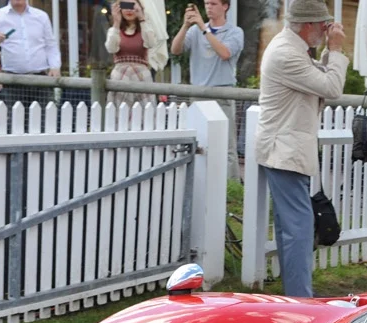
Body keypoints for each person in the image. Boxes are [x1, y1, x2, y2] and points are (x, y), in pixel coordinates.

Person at [253, 0, 348, 298]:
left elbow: (319, 82)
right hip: (285, 151)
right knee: (299, 230)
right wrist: (335, 50)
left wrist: (327, 52)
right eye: (322, 24)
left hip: (285, 150)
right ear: (307, 25)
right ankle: (300, 300)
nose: (326, 29)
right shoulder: (286, 53)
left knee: (292, 228)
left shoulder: (291, 48)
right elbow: (331, 88)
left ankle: (294, 296)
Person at [171, 0, 244, 179]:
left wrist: (204, 28)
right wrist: (185, 25)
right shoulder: (195, 30)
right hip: (199, 94)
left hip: (222, 93)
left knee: (227, 147)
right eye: (206, 3)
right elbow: (175, 50)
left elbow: (225, 53)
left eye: (213, 3)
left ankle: (231, 191)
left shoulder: (235, 32)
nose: (209, 7)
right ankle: (199, 186)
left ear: (225, 6)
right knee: (199, 145)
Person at [0, 0, 59, 110]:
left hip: (40, 80)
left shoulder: (41, 16)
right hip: (12, 81)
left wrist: (54, 66)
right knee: (13, 123)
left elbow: (51, 45)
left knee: (44, 122)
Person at [105, 0, 164, 107]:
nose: (129, 10)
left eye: (132, 5)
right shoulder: (115, 30)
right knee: (119, 114)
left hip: (141, 75)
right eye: (125, 6)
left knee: (146, 114)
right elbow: (111, 48)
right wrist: (116, 22)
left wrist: (142, 18)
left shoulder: (146, 29)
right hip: (120, 76)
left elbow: (151, 43)